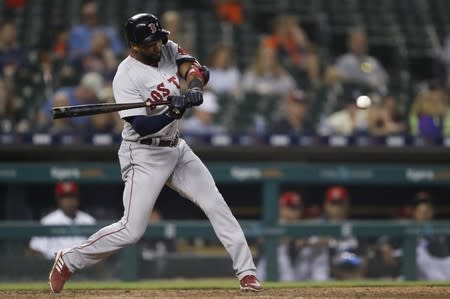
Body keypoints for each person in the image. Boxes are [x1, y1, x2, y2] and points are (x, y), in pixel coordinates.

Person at [48, 13, 261, 293]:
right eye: (151, 43)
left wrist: (194, 87)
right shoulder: (125, 77)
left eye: (159, 39)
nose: (158, 46)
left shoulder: (167, 48)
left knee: (216, 205)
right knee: (131, 230)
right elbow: (143, 126)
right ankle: (69, 259)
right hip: (143, 154)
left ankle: (246, 272)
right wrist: (174, 109)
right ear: (134, 46)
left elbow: (195, 69)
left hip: (176, 148)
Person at [257, 191, 329, 281]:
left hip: (296, 268)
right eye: (290, 207)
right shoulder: (275, 223)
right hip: (270, 268)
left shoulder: (302, 224)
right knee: (279, 252)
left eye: (297, 208)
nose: (294, 212)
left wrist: (306, 242)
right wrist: (291, 240)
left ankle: (319, 282)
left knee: (317, 251)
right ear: (281, 207)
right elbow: (261, 241)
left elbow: (326, 238)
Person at [29, 181, 96, 259]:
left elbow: (98, 250)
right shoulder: (48, 222)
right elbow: (34, 249)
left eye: (72, 196)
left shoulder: (89, 221)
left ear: (77, 198)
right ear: (58, 199)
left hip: (84, 267)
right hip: (54, 266)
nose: (69, 201)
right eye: (65, 197)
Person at [325, 29, 389, 94]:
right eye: (356, 42)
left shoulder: (373, 62)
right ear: (350, 43)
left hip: (369, 95)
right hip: (349, 94)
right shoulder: (344, 60)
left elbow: (383, 81)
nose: (359, 45)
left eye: (362, 42)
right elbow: (332, 75)